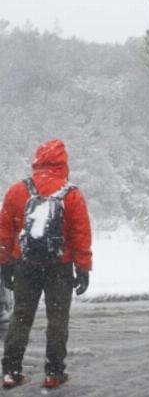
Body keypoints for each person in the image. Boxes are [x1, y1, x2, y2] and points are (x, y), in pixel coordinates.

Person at [0, 140, 92, 390]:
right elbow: (80, 234)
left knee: (20, 317)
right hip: (59, 266)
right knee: (57, 319)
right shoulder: (71, 194)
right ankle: (54, 373)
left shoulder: (18, 191)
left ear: (37, 161)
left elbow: (5, 231)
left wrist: (5, 264)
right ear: (63, 163)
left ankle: (10, 371)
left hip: (25, 264)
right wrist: (83, 268)